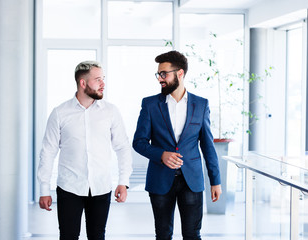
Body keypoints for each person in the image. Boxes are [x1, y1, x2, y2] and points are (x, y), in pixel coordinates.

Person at [37, 61, 132, 240]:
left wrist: (123, 181)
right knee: (68, 236)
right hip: (69, 187)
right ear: (83, 83)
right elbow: (48, 152)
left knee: (97, 236)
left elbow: (122, 147)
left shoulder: (111, 112)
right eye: (98, 80)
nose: (103, 84)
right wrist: (44, 189)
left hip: (101, 187)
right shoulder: (60, 113)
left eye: (103, 79)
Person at [133, 50, 222, 240]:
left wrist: (215, 180)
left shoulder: (201, 104)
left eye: (164, 74)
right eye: (158, 74)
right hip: (160, 179)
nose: (159, 79)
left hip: (192, 180)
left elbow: (207, 145)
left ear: (180, 73)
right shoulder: (150, 105)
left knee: (192, 234)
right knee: (163, 234)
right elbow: (139, 142)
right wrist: (161, 154)